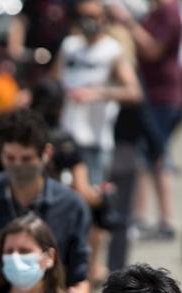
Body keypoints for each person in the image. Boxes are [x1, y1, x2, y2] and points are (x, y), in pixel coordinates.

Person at [0, 109, 92, 293]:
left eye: (26, 159)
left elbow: (79, 276)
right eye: (10, 158)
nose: (18, 166)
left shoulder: (71, 207)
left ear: (46, 153)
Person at [108, 0, 182, 239]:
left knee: (157, 156)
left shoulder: (169, 12)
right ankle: (143, 217)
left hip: (163, 96)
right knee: (146, 157)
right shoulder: (155, 11)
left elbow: (153, 50)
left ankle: (165, 219)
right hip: (152, 95)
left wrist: (127, 22)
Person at [56, 0, 142, 184]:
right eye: (83, 16)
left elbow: (134, 91)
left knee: (93, 192)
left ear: (103, 18)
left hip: (95, 139)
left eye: (93, 16)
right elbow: (54, 81)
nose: (88, 21)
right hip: (67, 135)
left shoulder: (112, 50)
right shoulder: (70, 46)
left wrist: (98, 94)